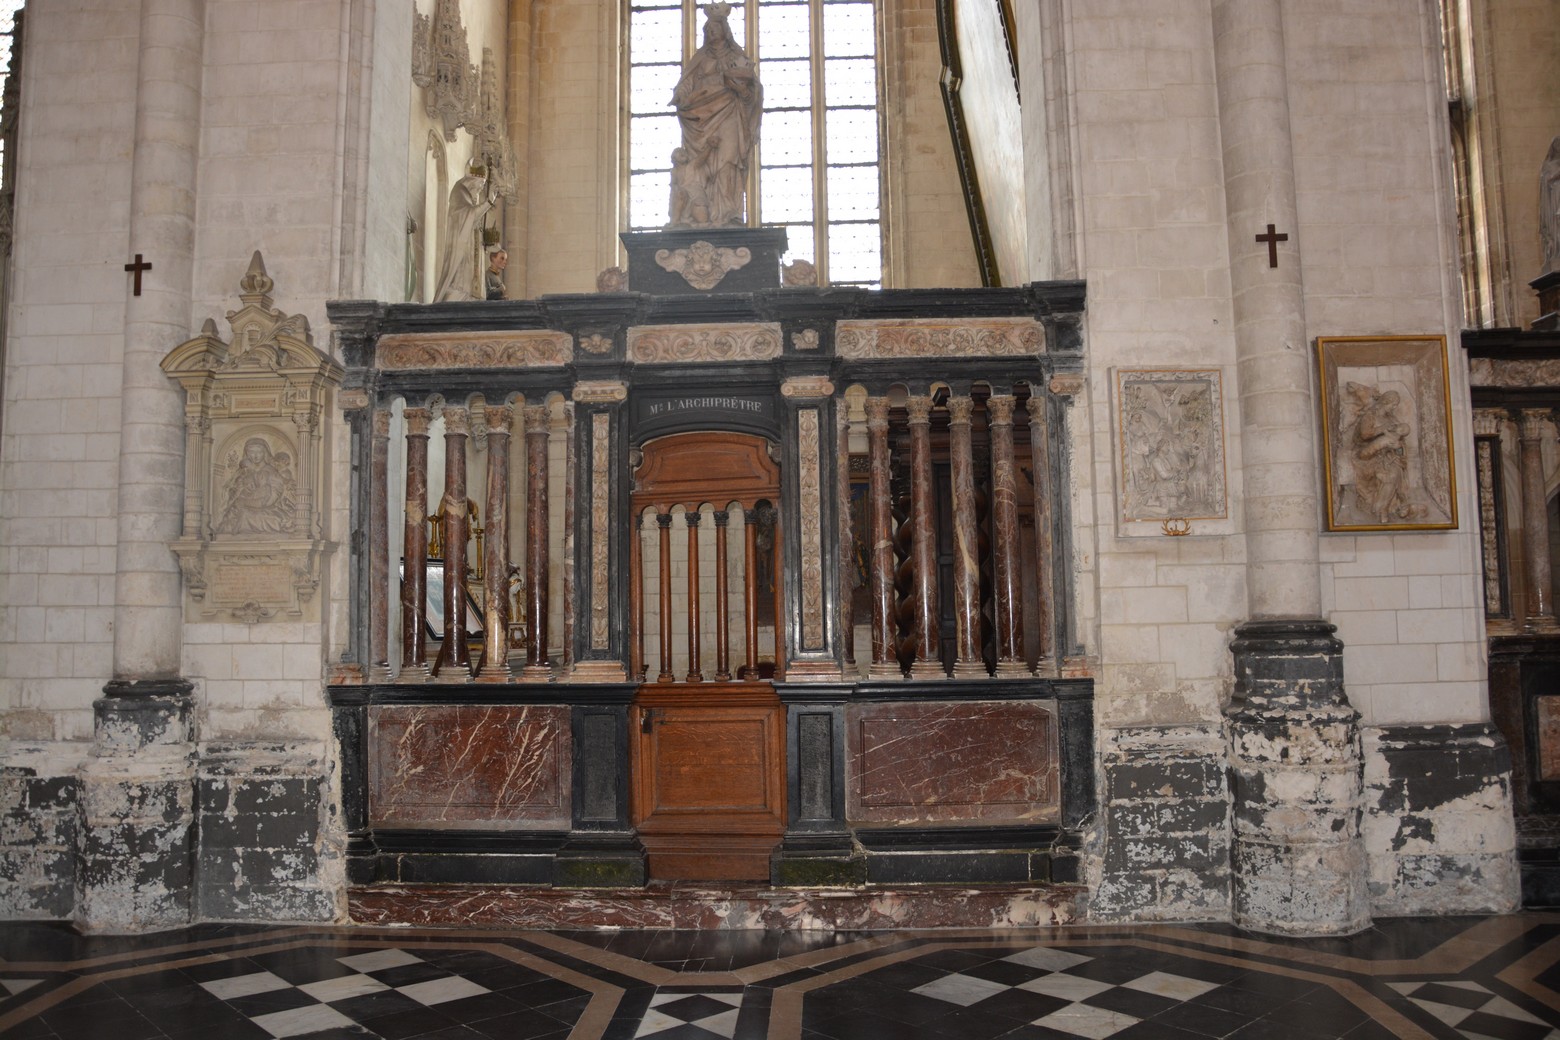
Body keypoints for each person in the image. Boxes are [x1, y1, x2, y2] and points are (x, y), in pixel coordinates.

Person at [669, 4, 761, 228]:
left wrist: (740, 89)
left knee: (727, 161)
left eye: (715, 28)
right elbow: (686, 84)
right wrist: (680, 95)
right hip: (703, 117)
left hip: (730, 114)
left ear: (724, 30)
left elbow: (752, 93)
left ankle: (729, 213)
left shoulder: (736, 58)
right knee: (701, 167)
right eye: (707, 29)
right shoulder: (700, 58)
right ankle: (701, 214)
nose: (711, 32)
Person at [433, 162, 496, 302]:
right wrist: (488, 203)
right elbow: (466, 216)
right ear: (472, 181)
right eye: (481, 184)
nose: (481, 188)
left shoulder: (469, 198)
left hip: (470, 262)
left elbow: (472, 218)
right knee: (459, 289)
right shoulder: (459, 192)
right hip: (461, 259)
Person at [216, 437, 297, 536]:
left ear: (265, 453)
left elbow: (273, 496)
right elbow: (234, 491)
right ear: (247, 453)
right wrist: (238, 490)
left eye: (259, 452)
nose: (255, 456)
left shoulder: (271, 471)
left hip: (265, 508)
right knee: (230, 518)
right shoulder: (244, 472)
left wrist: (247, 502)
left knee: (247, 516)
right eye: (251, 452)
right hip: (243, 506)